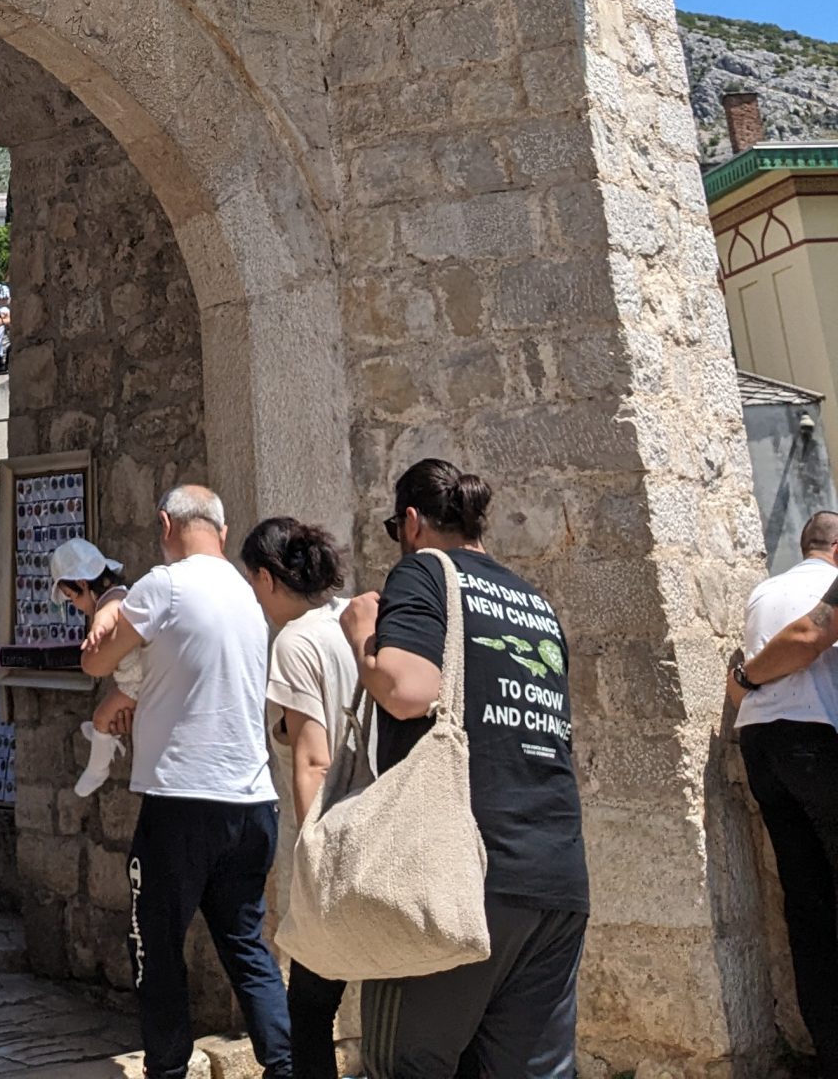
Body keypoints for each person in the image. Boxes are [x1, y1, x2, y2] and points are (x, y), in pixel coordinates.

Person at [341, 458, 587, 1079]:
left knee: (402, 1064)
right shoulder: (534, 601)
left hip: (457, 875)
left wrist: (362, 636)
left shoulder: (424, 572)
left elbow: (406, 689)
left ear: (412, 522)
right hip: (555, 875)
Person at [82, 483, 291, 1079]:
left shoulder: (164, 586)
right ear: (222, 533)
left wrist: (109, 612)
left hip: (181, 799)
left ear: (165, 525)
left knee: (155, 944)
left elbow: (96, 661)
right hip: (253, 800)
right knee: (246, 946)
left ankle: (168, 1069)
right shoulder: (250, 594)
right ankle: (287, 1066)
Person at [240, 518, 361, 1079]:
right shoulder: (354, 618)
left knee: (309, 1010)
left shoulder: (294, 641)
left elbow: (314, 761)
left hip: (339, 836)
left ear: (267, 579)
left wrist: (314, 858)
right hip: (388, 826)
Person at [726, 507, 838, 1078]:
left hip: (761, 744)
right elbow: (808, 636)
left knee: (809, 905)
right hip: (816, 736)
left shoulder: (764, 590)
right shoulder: (825, 589)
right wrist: (749, 676)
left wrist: (745, 683)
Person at [52, 536, 147, 796]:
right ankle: (102, 737)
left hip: (135, 684)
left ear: (82, 583)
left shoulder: (113, 597)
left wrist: (98, 629)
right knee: (104, 717)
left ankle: (98, 767)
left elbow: (109, 612)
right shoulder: (116, 595)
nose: (74, 605)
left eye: (71, 597)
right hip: (131, 680)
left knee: (101, 718)